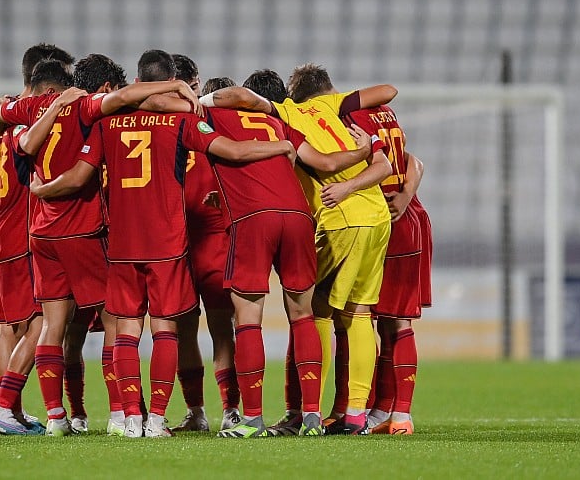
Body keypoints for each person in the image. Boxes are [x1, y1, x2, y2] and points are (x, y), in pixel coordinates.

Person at [28, 77, 297, 438]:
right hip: (169, 243)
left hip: (122, 243)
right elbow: (232, 151)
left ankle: (129, 418)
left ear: (139, 81)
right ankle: (158, 419)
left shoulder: (107, 123)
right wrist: (280, 145)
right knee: (169, 329)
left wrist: (42, 190)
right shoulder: (183, 120)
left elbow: (79, 174)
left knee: (126, 330)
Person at [204, 66, 395, 436]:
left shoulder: (275, 115)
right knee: (349, 313)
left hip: (329, 219)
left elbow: (243, 139)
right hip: (367, 217)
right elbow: (386, 97)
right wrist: (366, 147)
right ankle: (342, 415)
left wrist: (194, 103)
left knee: (277, 315)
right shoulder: (329, 107)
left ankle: (267, 416)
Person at [0, 43, 74, 435]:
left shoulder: (6, 113)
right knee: (33, 325)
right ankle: (2, 410)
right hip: (19, 232)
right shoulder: (33, 117)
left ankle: (1, 411)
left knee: (6, 324)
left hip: (0, 228)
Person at [323, 104, 433, 436]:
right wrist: (407, 192)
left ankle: (398, 413)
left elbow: (392, 163)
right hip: (398, 215)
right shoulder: (382, 113)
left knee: (380, 318)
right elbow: (413, 160)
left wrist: (401, 195)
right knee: (374, 319)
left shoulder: (350, 119)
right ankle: (378, 409)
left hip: (388, 219)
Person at [159, 54, 240, 432]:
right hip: (177, 239)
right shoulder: (164, 123)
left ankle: (231, 410)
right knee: (183, 329)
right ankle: (197, 412)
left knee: (221, 327)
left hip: (211, 237)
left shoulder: (212, 119)